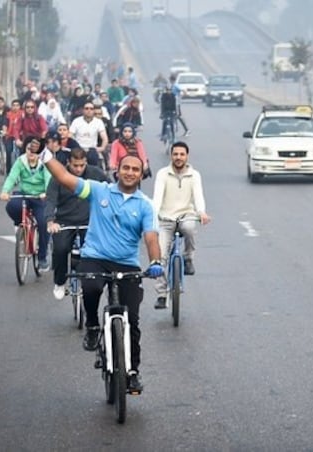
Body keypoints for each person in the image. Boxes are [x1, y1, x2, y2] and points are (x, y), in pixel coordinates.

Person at [36, 146, 163, 394]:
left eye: (135, 169)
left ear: (141, 175)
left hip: (127, 263)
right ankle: (93, 326)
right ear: (117, 171)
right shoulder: (98, 190)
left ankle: (133, 372)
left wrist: (156, 262)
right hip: (95, 257)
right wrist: (45, 154)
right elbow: (64, 177)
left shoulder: (146, 205)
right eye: (125, 168)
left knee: (133, 321)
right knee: (91, 288)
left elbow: (150, 238)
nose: (129, 172)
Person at [150, 141, 211, 309]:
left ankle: (188, 258)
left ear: (187, 156)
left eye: (182, 154)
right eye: (175, 154)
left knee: (190, 228)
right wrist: (153, 216)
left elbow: (198, 196)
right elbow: (157, 197)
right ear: (171, 156)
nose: (178, 157)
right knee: (160, 255)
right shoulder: (163, 174)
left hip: (186, 215)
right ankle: (162, 294)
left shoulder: (194, 175)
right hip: (165, 219)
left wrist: (202, 212)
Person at [45, 147, 109, 300]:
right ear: (68, 163)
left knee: (95, 251)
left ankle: (93, 279)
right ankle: (60, 281)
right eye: (75, 165)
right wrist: (50, 221)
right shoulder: (58, 176)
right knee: (60, 249)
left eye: (82, 165)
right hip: (64, 222)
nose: (79, 169)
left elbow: (111, 190)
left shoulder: (96, 174)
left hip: (90, 221)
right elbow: (51, 200)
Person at [0, 137, 52, 271]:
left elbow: (49, 179)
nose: (32, 153)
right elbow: (12, 177)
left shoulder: (45, 162)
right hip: (24, 194)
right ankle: (20, 225)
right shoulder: (20, 161)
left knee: (43, 222)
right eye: (29, 149)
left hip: (40, 197)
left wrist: (46, 192)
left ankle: (42, 257)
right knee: (11, 206)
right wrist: (5, 191)